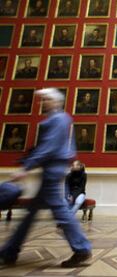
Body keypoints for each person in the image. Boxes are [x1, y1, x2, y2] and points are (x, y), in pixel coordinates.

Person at [0, 88, 92, 267]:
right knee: (31, 214)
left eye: (46, 100)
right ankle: (10, 250)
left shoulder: (58, 119)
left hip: (52, 170)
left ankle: (81, 249)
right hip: (52, 168)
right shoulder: (62, 118)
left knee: (60, 210)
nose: (43, 103)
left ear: (56, 101)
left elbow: (48, 147)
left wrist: (25, 168)